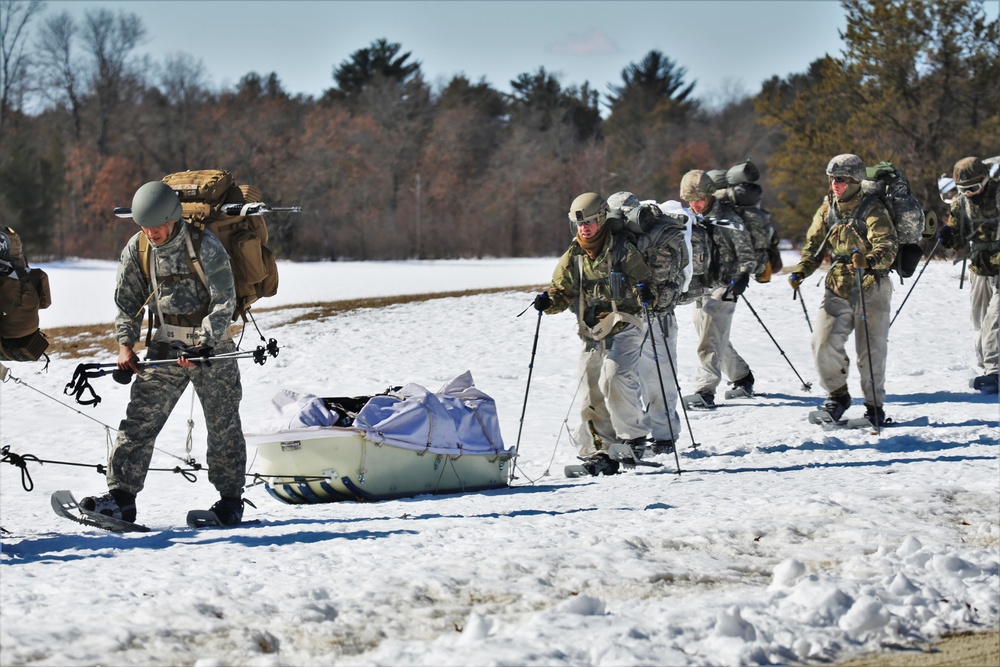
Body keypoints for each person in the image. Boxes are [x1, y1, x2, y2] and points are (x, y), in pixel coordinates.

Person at [81, 181, 250, 525]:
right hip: (164, 345)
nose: (151, 232)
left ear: (173, 219)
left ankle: (230, 501)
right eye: (144, 226)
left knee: (223, 425)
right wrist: (125, 346)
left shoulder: (206, 245)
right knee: (139, 420)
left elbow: (224, 300)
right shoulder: (138, 247)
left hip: (210, 348)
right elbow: (127, 303)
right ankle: (121, 498)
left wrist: (204, 342)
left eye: (156, 226)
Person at [534, 192, 653, 475]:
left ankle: (633, 437)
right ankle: (602, 448)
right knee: (589, 387)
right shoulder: (573, 255)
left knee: (614, 376)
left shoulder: (623, 250)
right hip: (592, 331)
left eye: (588, 222)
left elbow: (646, 285)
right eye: (579, 224)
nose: (584, 228)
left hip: (625, 325)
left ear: (601, 219)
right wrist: (548, 301)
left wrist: (645, 292)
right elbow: (562, 292)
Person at [789, 154, 898, 425]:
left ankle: (874, 407)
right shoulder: (828, 208)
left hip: (872, 286)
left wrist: (870, 260)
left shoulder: (872, 208)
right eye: (831, 179)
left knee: (870, 351)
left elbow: (888, 244)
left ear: (855, 181)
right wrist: (802, 269)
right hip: (837, 285)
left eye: (840, 179)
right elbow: (814, 246)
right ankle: (837, 396)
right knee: (822, 343)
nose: (834, 184)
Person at [606, 191, 688, 456]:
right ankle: (638, 435)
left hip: (655, 316)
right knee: (631, 378)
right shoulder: (621, 239)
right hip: (632, 317)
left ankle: (664, 436)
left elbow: (675, 274)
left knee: (657, 378)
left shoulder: (659, 236)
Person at [680, 170, 756, 408]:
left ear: (711, 195)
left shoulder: (727, 217)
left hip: (726, 285)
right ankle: (742, 376)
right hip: (700, 285)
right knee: (707, 333)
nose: (695, 204)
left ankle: (705, 390)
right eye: (690, 200)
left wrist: (743, 275)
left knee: (710, 338)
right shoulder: (689, 218)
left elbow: (746, 252)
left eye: (699, 199)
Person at [939, 157, 999, 393]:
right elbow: (958, 236)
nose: (969, 193)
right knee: (979, 321)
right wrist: (948, 236)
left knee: (995, 320)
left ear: (985, 180)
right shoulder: (961, 203)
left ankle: (995, 371)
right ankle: (986, 368)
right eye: (963, 190)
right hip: (979, 266)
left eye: (973, 188)